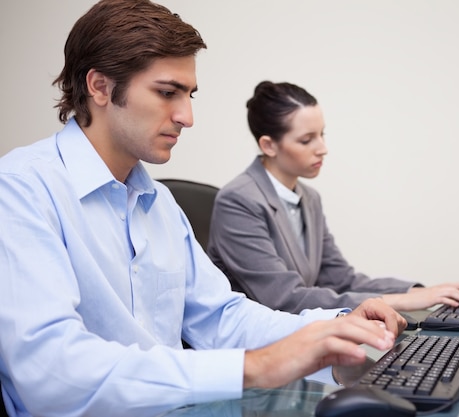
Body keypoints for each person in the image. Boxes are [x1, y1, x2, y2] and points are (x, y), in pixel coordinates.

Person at [0, 2, 406, 416]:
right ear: (100, 87)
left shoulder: (158, 204)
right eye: (167, 93)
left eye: (189, 95)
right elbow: (50, 371)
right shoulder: (20, 190)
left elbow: (221, 317)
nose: (186, 116)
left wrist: (334, 330)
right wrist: (255, 367)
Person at [208, 81, 459, 314]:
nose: (322, 149)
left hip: (301, 337)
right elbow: (284, 298)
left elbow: (340, 279)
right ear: (268, 145)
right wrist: (401, 302)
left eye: (322, 135)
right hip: (254, 353)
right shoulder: (238, 201)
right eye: (307, 140)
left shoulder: (309, 198)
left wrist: (417, 290)